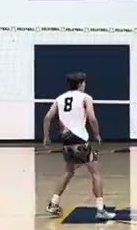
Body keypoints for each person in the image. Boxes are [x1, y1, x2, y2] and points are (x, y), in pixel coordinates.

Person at [43, 72, 115, 221]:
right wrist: (97, 134)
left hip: (67, 142)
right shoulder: (85, 97)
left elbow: (47, 117)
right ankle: (100, 209)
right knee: (95, 173)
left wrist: (46, 136)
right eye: (84, 83)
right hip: (81, 141)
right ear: (81, 84)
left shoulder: (60, 98)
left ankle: (53, 203)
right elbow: (92, 118)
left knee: (68, 173)